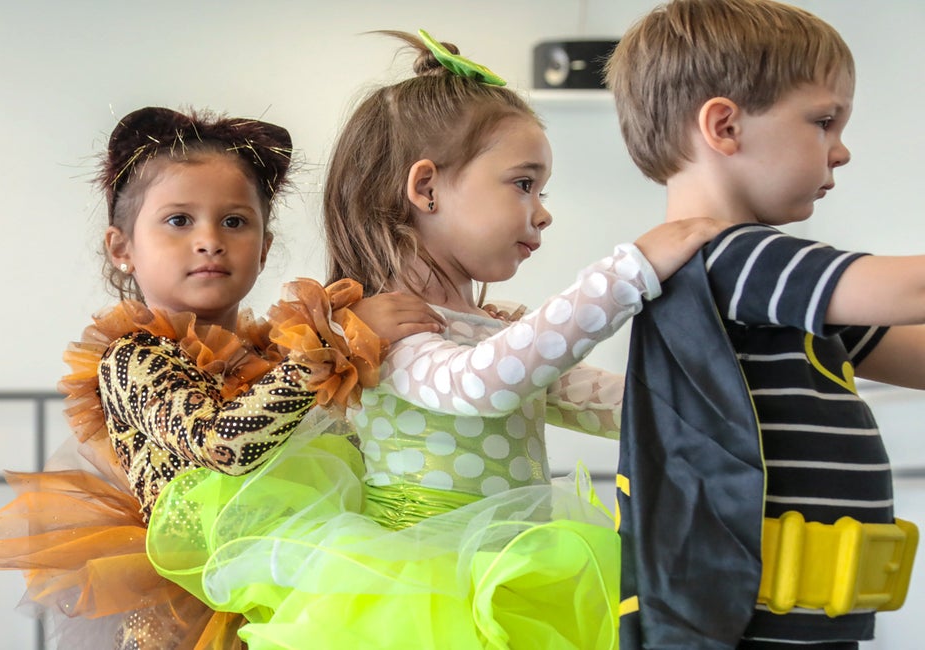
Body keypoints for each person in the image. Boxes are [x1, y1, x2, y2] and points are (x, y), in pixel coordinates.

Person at [143, 31, 726, 650]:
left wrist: (715, 402)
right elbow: (484, 385)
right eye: (523, 183)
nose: (543, 210)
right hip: (421, 588)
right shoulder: (383, 328)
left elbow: (599, 399)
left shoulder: (493, 329)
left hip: (514, 570)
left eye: (542, 189)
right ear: (426, 190)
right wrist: (627, 274)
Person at [0, 105, 443, 650]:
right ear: (122, 248)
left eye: (235, 221)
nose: (210, 239)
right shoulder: (132, 356)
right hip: (189, 608)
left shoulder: (276, 353)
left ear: (265, 248)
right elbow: (219, 443)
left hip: (292, 590)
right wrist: (337, 341)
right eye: (179, 220)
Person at [604, 1, 921, 648]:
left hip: (798, 616)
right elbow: (913, 288)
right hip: (756, 623)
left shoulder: (771, 285)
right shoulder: (732, 258)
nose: (842, 150)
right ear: (723, 125)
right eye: (823, 121)